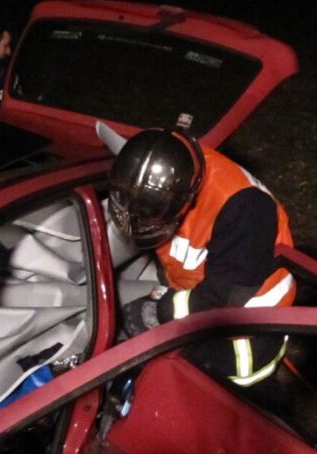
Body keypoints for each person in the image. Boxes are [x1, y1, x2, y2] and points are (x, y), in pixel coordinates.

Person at [108, 128, 296, 387]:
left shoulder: (245, 209)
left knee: (230, 405)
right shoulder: (162, 174)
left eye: (151, 214)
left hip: (245, 337)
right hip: (204, 309)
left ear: (188, 197)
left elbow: (226, 295)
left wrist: (164, 310)